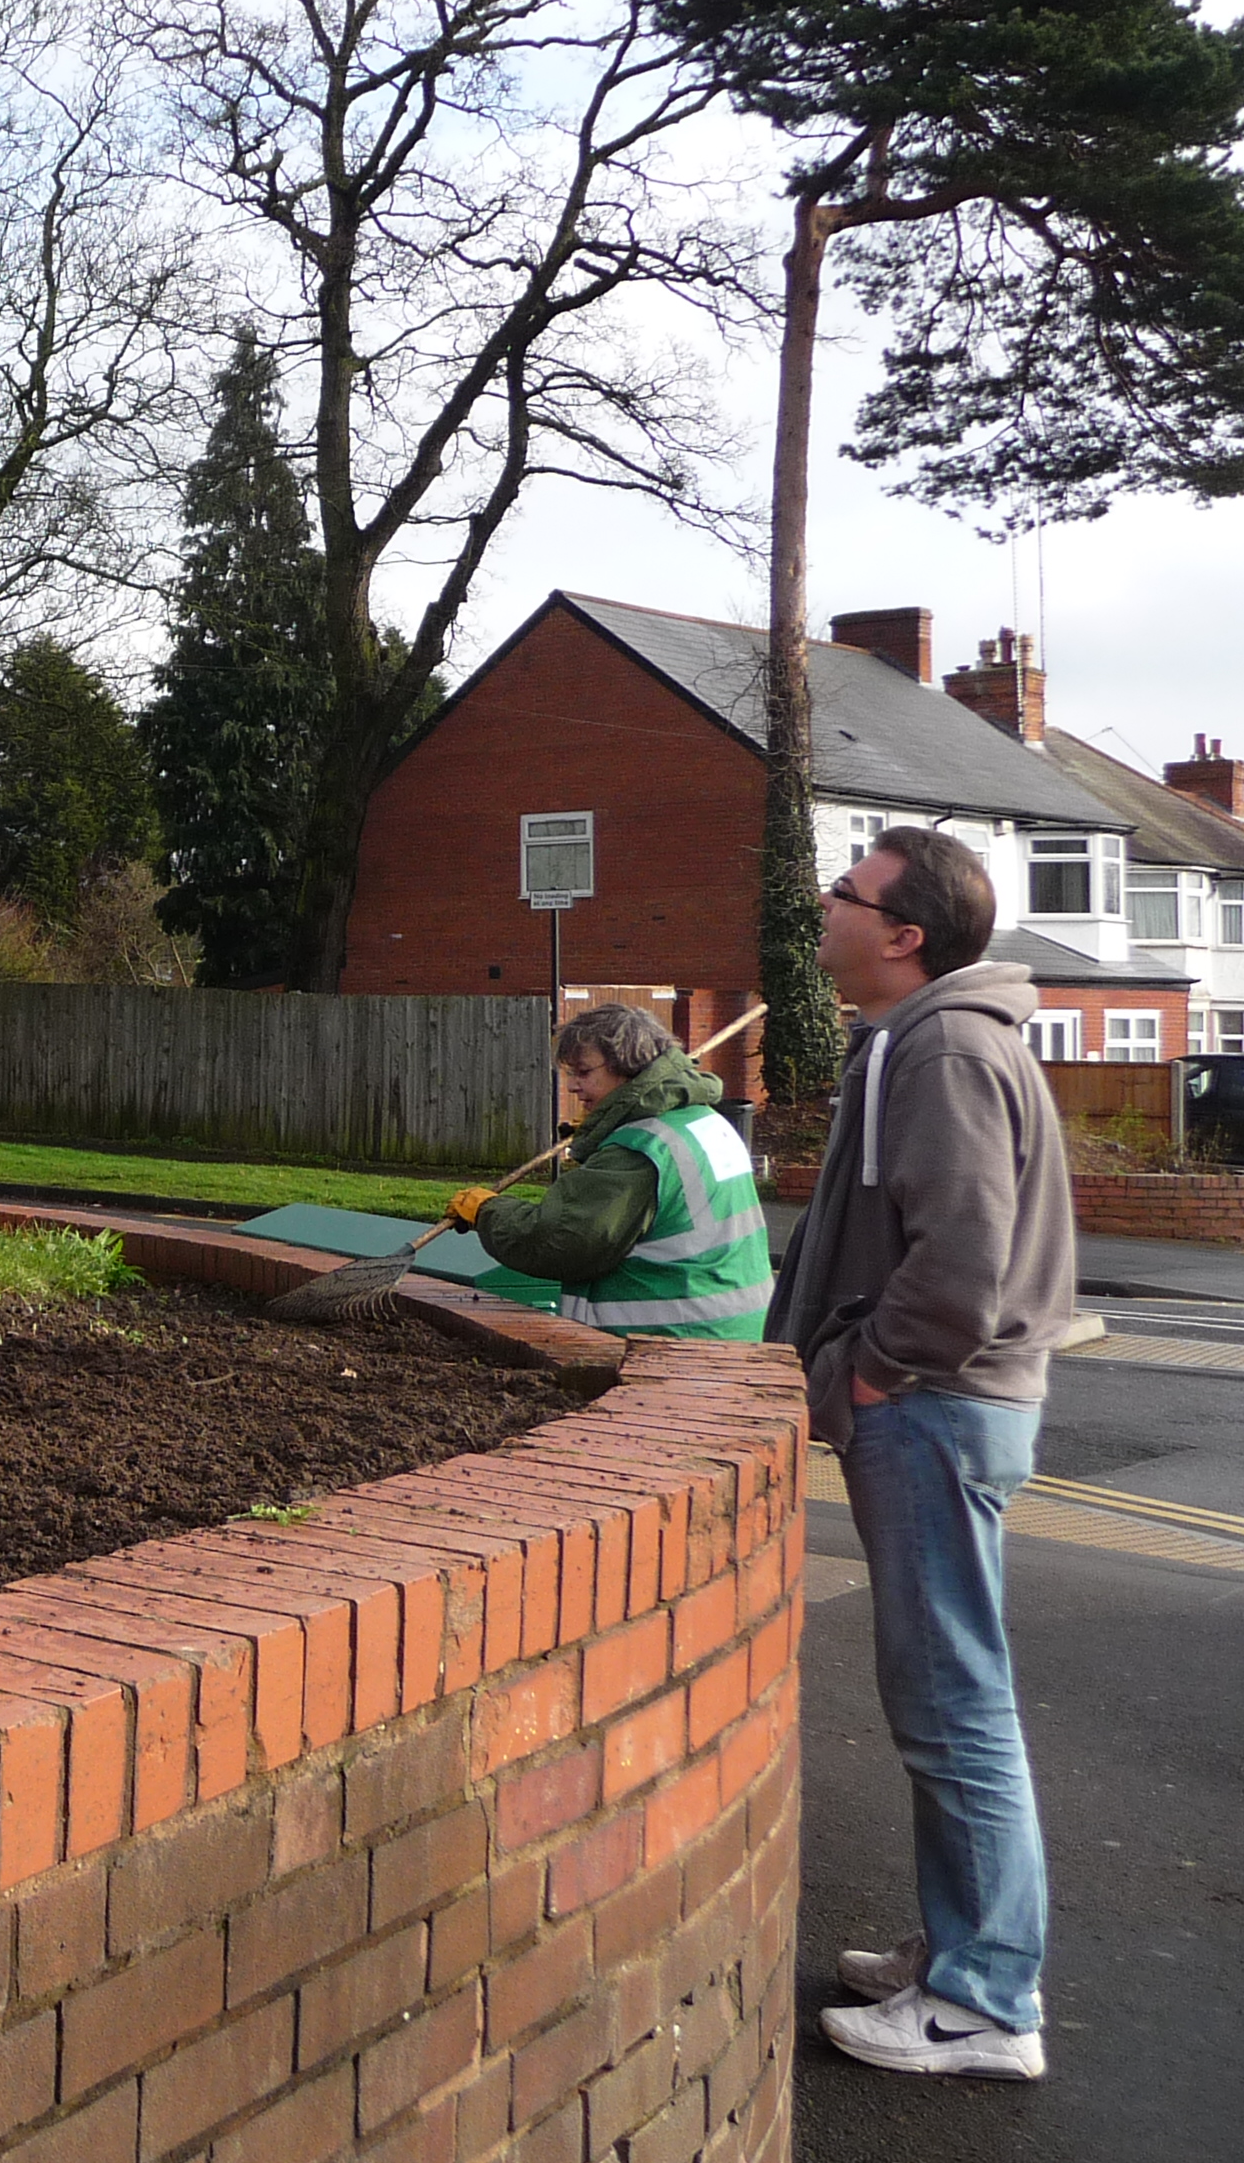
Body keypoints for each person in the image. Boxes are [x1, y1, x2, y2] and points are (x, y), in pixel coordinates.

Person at [769, 825, 1069, 2082]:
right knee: (948, 1695)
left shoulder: (941, 1044)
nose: (826, 906)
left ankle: (987, 1999)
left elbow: (958, 1261)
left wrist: (871, 1376)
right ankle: (963, 1949)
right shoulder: (924, 1037)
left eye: (848, 893)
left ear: (905, 936)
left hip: (934, 1408)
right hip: (945, 1407)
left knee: (954, 1704)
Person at [450, 1002, 773, 1338]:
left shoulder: (638, 1149)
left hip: (671, 1343)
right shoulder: (702, 1120)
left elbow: (561, 1242)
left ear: (627, 1066)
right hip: (734, 1332)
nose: (573, 1086)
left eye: (584, 1072)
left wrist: (487, 1212)